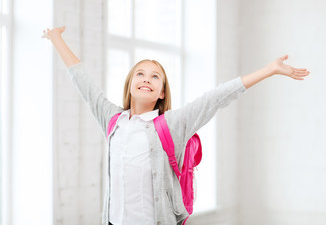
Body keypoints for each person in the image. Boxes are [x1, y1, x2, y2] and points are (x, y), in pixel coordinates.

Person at [42, 26, 310, 225]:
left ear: (161, 92)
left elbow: (216, 98)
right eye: (140, 73)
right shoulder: (113, 121)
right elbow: (85, 84)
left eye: (155, 76)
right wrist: (57, 39)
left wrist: (269, 69)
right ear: (130, 85)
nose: (146, 78)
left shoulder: (171, 124)